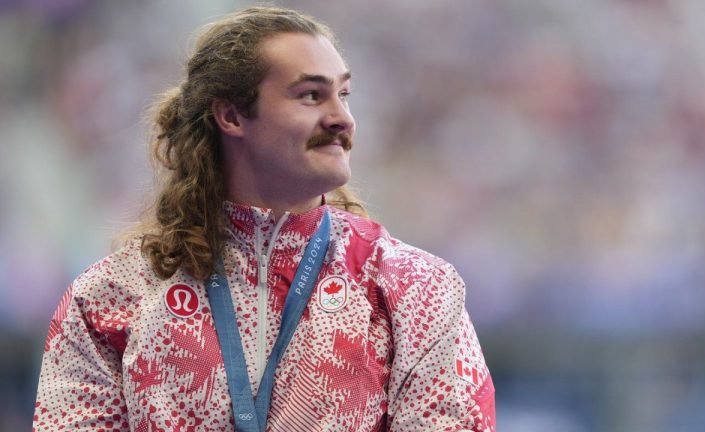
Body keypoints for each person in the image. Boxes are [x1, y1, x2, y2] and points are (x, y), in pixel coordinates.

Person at [32, 6, 495, 432]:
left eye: (345, 94)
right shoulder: (111, 299)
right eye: (312, 95)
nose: (343, 118)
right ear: (232, 116)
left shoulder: (417, 289)